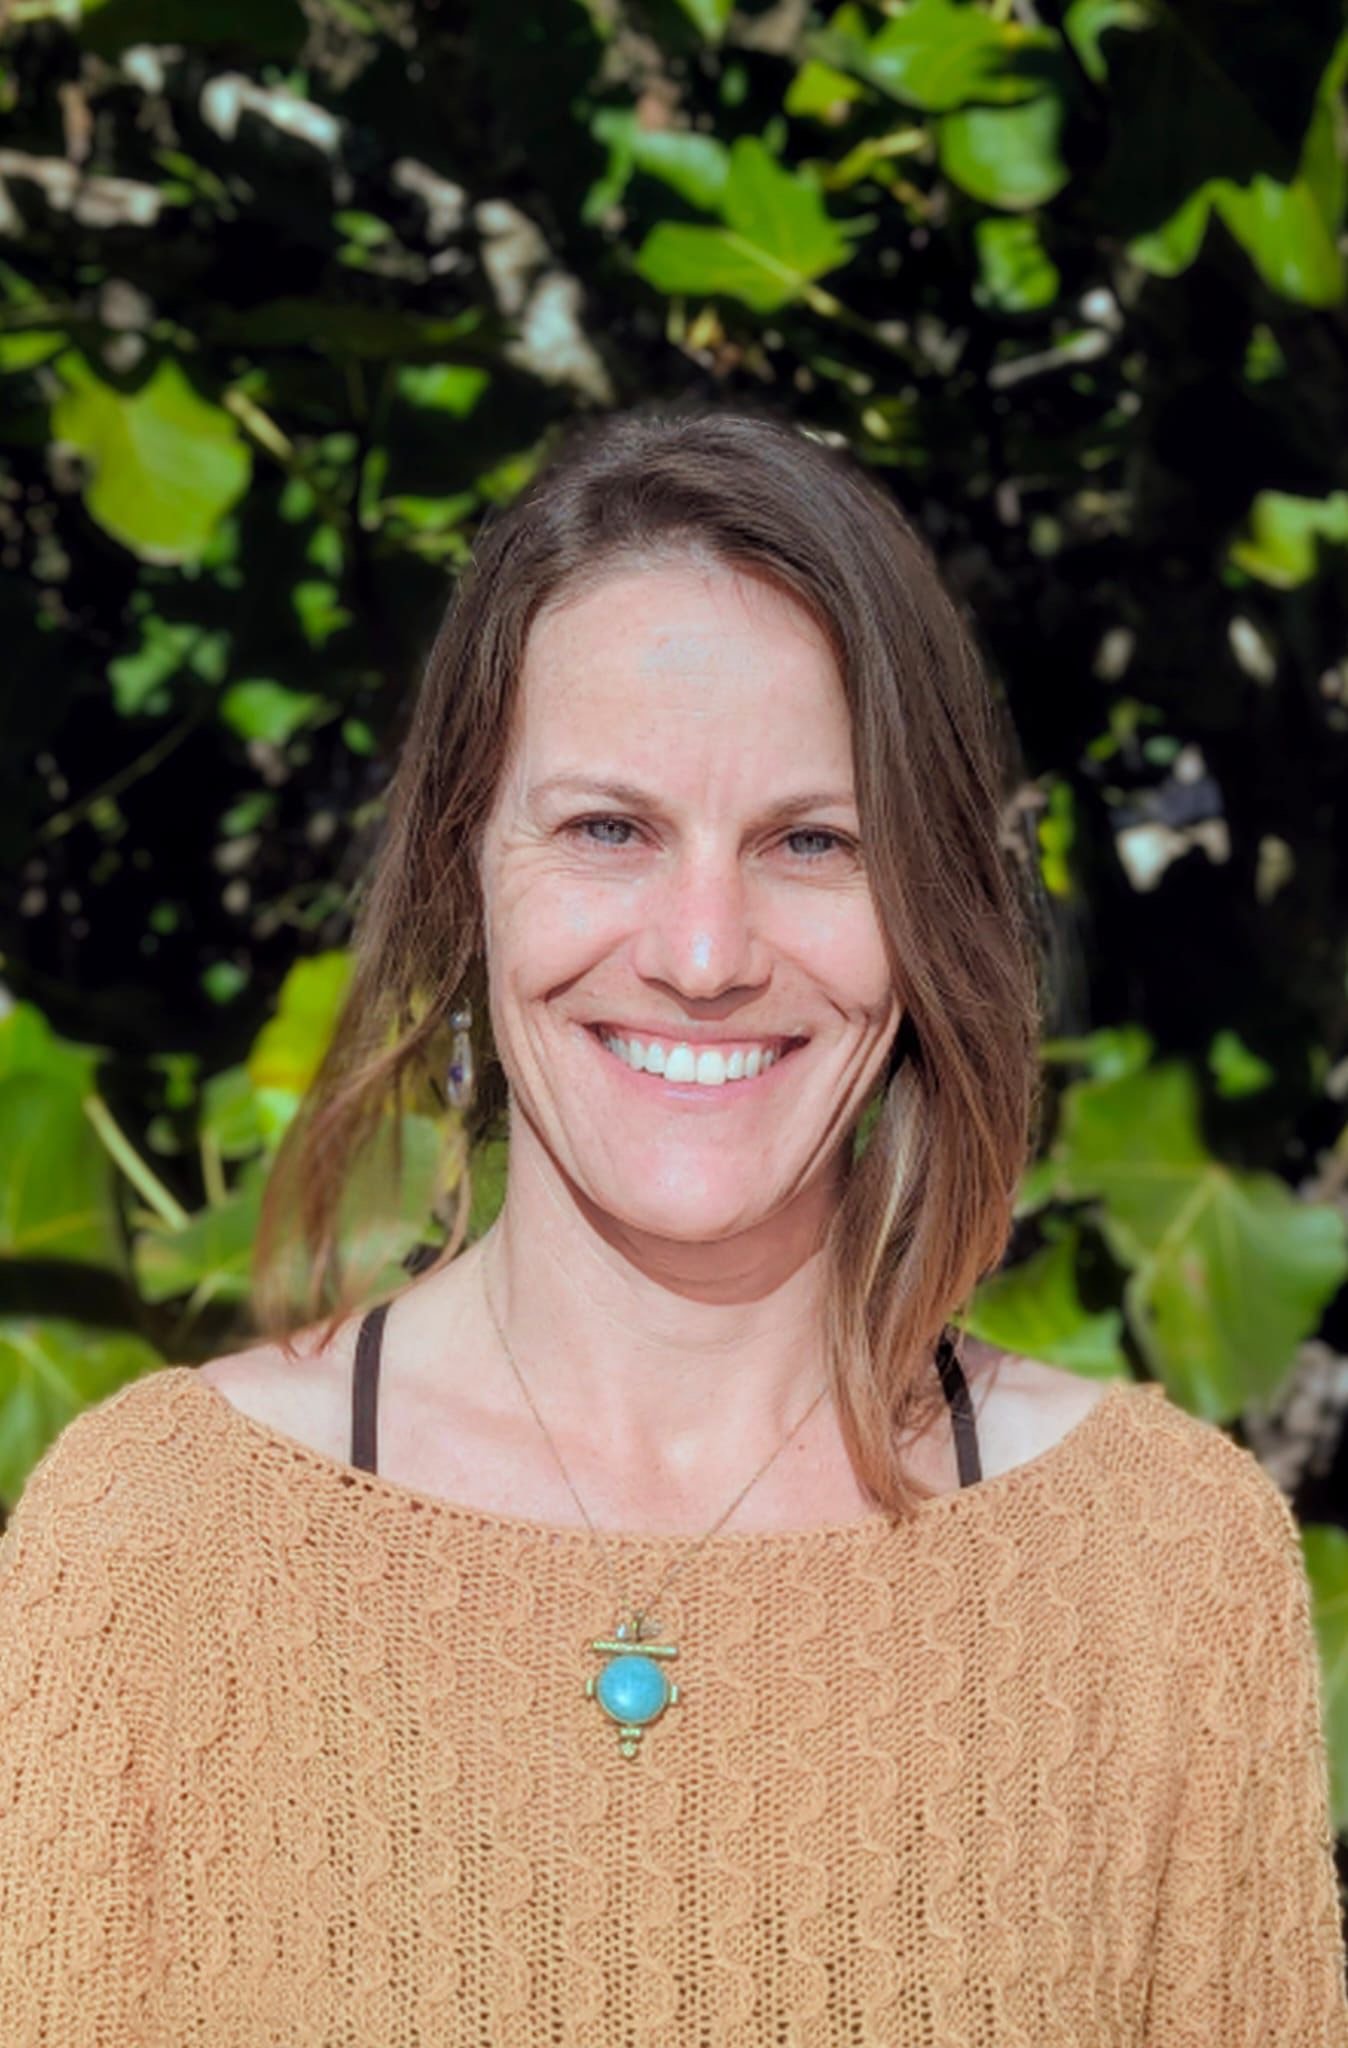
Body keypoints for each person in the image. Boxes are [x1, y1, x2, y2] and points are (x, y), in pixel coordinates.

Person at [1, 400, 1344, 2046]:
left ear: (928, 905)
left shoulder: (1160, 1573)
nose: (704, 953)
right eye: (609, 830)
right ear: (462, 867)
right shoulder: (154, 1553)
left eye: (812, 841)